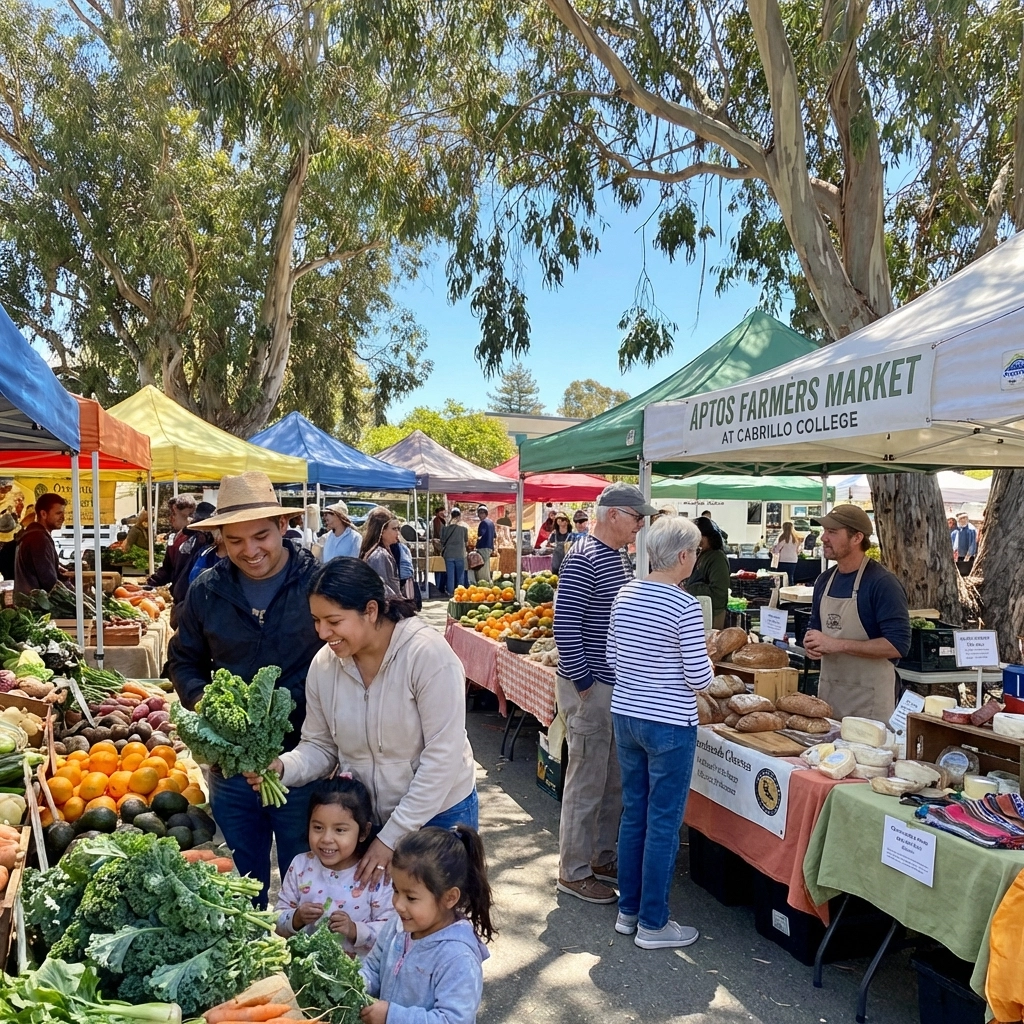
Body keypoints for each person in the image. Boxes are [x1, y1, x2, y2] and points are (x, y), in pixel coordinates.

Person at [259, 558, 478, 891]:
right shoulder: (325, 665)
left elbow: (442, 759)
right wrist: (282, 768)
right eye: (316, 620)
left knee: (436, 928)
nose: (322, 633)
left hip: (439, 816)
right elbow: (320, 745)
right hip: (369, 820)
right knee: (379, 928)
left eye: (334, 621)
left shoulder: (427, 655)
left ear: (371, 610)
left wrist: (392, 837)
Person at [166, 471, 322, 905]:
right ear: (219, 539)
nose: (250, 551)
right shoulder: (206, 591)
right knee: (241, 882)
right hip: (232, 768)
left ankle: (299, 964)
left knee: (303, 878)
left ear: (283, 528)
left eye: (260, 536)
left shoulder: (317, 583)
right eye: (235, 541)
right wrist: (206, 704)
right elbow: (182, 660)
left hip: (302, 764)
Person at [607, 515, 713, 949]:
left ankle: (628, 911)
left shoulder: (625, 594)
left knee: (635, 813)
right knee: (664, 822)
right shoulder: (684, 606)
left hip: (626, 715)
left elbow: (613, 659)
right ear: (684, 556)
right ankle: (653, 922)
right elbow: (701, 678)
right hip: (669, 721)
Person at [552, 481, 657, 905]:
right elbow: (565, 627)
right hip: (593, 688)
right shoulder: (583, 558)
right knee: (586, 782)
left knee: (611, 778)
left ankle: (599, 856)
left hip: (609, 686)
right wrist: (585, 685)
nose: (640, 525)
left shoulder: (616, 557)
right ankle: (572, 871)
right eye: (636, 517)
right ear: (613, 514)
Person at [360, 826, 494, 1024]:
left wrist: (392, 1017)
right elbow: (372, 967)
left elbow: (453, 1020)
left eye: (411, 897)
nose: (398, 904)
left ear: (449, 898)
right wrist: (356, 983)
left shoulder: (458, 957)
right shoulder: (397, 926)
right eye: (396, 890)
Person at [803, 505, 911, 721]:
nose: (823, 538)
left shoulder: (882, 583)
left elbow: (898, 645)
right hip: (829, 698)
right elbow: (815, 629)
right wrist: (811, 643)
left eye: (832, 532)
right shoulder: (824, 580)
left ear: (857, 538)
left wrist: (837, 644)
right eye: (824, 531)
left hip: (869, 705)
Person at [275, 776, 394, 959]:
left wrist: (354, 930)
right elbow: (276, 921)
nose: (326, 838)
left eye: (339, 830)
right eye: (318, 828)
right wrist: (296, 918)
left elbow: (391, 933)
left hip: (358, 979)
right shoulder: (300, 866)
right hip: (306, 973)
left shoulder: (374, 874)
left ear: (364, 832)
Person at [14, 493, 70, 594]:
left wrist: (58, 570)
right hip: (37, 605)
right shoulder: (38, 538)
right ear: (43, 514)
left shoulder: (34, 535)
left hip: (31, 603)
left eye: (63, 513)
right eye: (58, 513)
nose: (63, 518)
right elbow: (49, 581)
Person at [683, 517, 730, 629]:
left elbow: (719, 593)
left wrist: (689, 589)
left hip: (713, 616)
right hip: (700, 613)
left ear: (707, 536)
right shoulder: (702, 554)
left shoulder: (717, 557)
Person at [148, 495, 197, 587]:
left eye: (174, 513)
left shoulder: (199, 537)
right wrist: (153, 582)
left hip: (190, 594)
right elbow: (168, 568)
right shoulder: (175, 537)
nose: (171, 518)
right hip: (179, 594)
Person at [360, 508, 402, 597]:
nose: (398, 532)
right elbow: (383, 589)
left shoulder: (384, 551)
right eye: (394, 529)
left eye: (398, 528)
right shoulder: (379, 556)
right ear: (382, 531)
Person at [440, 508, 469, 598]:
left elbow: (442, 541)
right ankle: (460, 593)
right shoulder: (464, 529)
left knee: (450, 575)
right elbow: (466, 542)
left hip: (448, 554)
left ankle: (450, 593)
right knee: (460, 575)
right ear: (459, 516)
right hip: (460, 554)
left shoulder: (445, 529)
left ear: (451, 516)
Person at [952, 512, 977, 576]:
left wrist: (969, 554)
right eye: (961, 518)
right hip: (957, 555)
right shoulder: (955, 531)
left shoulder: (971, 530)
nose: (963, 520)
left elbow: (972, 544)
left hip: (966, 556)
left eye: (965, 518)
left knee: (965, 572)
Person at [474, 506, 495, 582]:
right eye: (478, 513)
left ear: (484, 514)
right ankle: (487, 581)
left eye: (480, 513)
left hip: (483, 547)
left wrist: (476, 545)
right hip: (489, 547)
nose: (479, 515)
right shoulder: (491, 523)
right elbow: (494, 536)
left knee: (482, 567)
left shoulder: (483, 523)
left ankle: (483, 581)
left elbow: (480, 535)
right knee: (486, 565)